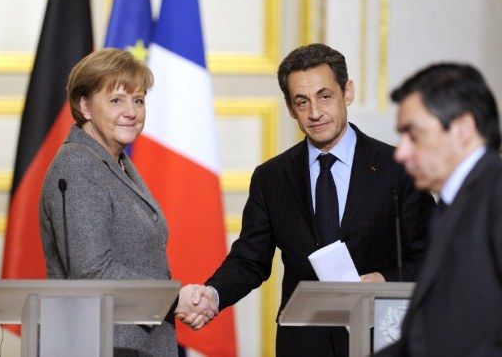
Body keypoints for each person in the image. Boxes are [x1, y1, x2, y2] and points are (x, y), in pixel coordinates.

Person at [176, 43, 435, 356]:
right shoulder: (271, 177)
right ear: (290, 108)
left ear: (347, 92)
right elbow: (249, 260)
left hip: (381, 340)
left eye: (325, 96)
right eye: (302, 102)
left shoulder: (399, 169)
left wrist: (383, 280)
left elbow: (432, 256)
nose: (315, 113)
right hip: (303, 343)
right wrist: (213, 295)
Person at [39, 48, 214, 356]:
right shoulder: (78, 166)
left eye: (139, 100)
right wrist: (174, 299)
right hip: (104, 345)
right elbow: (92, 273)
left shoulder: (116, 162)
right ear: (85, 106)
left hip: (136, 344)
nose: (131, 112)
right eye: (116, 100)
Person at [375, 63, 502, 356]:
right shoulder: (453, 206)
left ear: (462, 129)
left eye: (413, 134)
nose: (400, 152)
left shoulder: (495, 194)